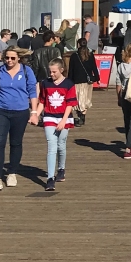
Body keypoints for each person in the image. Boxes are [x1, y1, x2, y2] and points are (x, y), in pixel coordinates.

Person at [0, 47, 39, 193]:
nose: (9, 61)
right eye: (7, 58)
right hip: (0, 110)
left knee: (16, 143)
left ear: (18, 58)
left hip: (20, 111)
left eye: (13, 58)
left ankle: (12, 173)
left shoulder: (26, 71)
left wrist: (34, 112)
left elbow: (32, 92)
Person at [34, 56, 76, 192]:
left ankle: (61, 168)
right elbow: (42, 101)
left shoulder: (69, 84)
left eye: (54, 72)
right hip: (49, 117)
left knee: (61, 144)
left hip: (64, 116)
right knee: (51, 145)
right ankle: (50, 178)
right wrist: (35, 114)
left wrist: (64, 120)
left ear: (61, 70)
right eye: (50, 72)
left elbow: (70, 103)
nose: (51, 74)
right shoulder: (45, 83)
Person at [67, 38, 99, 120]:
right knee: (86, 99)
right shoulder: (90, 54)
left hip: (77, 80)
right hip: (88, 81)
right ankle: (83, 116)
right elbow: (94, 68)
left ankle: (80, 117)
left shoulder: (74, 56)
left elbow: (71, 70)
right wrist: (97, 78)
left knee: (79, 99)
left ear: (78, 45)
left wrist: (69, 81)